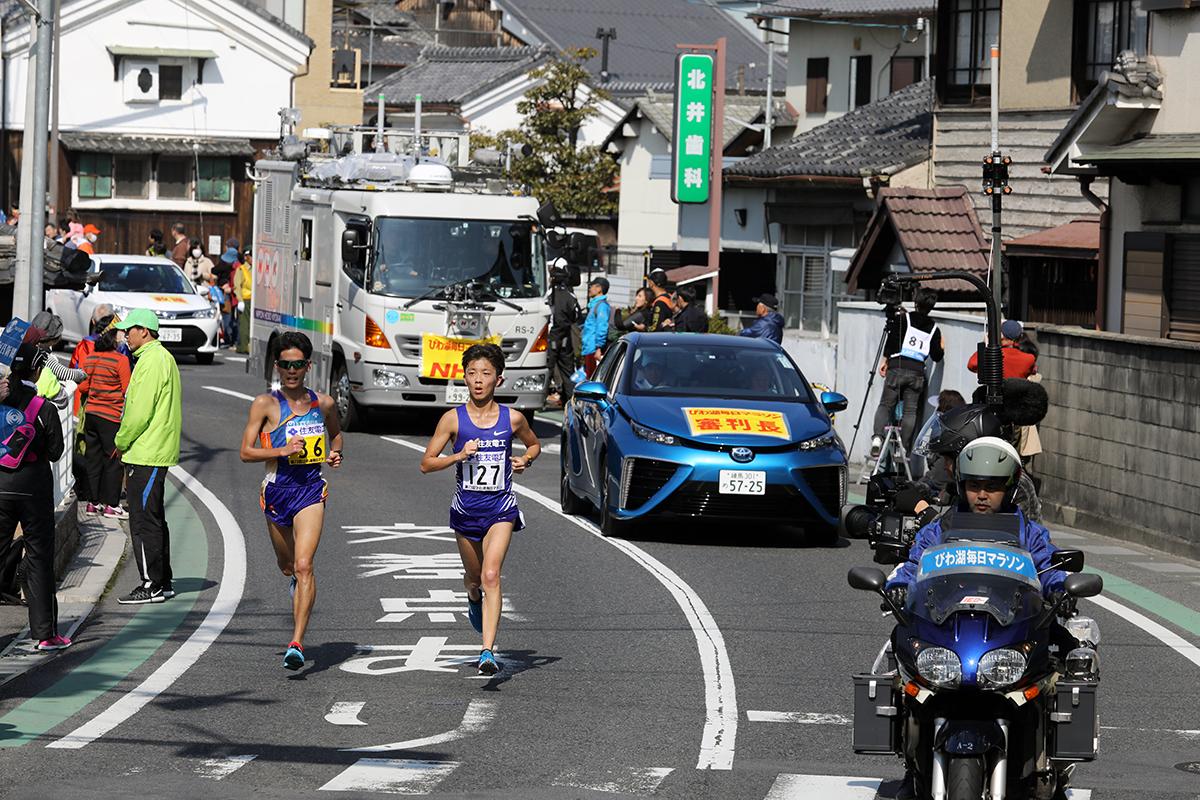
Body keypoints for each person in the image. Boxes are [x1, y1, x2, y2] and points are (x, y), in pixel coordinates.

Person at [883, 436, 1067, 800]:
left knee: (1063, 660)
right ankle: (912, 765)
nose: (982, 495)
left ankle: (1047, 766)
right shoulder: (940, 527)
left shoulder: (1029, 533)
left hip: (1006, 630)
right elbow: (912, 564)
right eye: (974, 485)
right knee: (899, 658)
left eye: (993, 487)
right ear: (961, 485)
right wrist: (899, 586)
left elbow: (1049, 567)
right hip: (949, 628)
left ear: (1010, 488)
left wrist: (1061, 587)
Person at [420, 343, 540, 676]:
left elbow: (534, 444)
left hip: (501, 509)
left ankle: (487, 650)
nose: (478, 380)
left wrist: (525, 459)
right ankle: (472, 597)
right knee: (474, 579)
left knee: (491, 574)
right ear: (464, 378)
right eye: (472, 373)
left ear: (498, 380)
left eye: (486, 374)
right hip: (466, 512)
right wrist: (458, 456)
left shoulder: (512, 418)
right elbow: (426, 464)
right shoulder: (452, 420)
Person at [239, 332, 343, 670]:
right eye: (286, 365)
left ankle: (296, 641)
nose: (292, 371)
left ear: (308, 366)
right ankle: (296, 585)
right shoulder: (265, 404)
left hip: (311, 490)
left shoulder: (323, 403)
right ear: (277, 366)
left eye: (298, 364)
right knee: (287, 567)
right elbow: (245, 452)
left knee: (304, 565)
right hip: (277, 492)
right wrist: (281, 450)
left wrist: (336, 453)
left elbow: (337, 435)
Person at [0, 344, 69, 650]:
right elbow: (55, 452)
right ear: (38, 370)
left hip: (0, 485)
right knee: (39, 556)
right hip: (34, 488)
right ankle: (45, 634)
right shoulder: (45, 408)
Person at [113, 309, 182, 605]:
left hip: (146, 451)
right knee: (153, 517)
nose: (125, 335)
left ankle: (151, 584)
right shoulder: (158, 358)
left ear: (145, 330)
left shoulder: (151, 361)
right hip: (152, 450)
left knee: (142, 520)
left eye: (130, 330)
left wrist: (120, 439)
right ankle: (161, 581)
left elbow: (139, 411)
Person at [870, 288, 944, 456]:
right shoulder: (934, 328)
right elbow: (937, 356)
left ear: (916, 302)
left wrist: (885, 360)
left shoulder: (903, 319)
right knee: (910, 411)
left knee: (886, 405)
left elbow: (891, 342)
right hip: (917, 372)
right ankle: (903, 448)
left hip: (897, 367)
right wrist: (941, 347)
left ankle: (877, 438)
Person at [79, 326, 131, 518]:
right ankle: (111, 504)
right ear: (114, 343)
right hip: (111, 416)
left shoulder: (90, 358)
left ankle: (93, 503)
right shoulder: (121, 360)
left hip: (91, 414)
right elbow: (127, 389)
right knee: (113, 460)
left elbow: (83, 386)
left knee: (93, 459)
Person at [545, 258, 580, 408]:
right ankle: (570, 401)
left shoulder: (548, 295)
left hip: (551, 335)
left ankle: (541, 398)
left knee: (547, 368)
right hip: (566, 337)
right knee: (568, 370)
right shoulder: (570, 296)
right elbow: (576, 315)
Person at [968, 319, 1037, 379]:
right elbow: (1033, 372)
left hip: (996, 393)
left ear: (1001, 336)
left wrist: (985, 344)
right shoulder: (1029, 358)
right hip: (1019, 393)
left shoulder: (994, 355)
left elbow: (972, 365)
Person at [580, 277, 611, 378]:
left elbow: (602, 327)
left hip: (593, 349)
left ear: (599, 289)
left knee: (592, 378)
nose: (589, 288)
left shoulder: (601, 306)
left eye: (591, 286)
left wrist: (599, 348)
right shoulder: (595, 305)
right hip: (589, 347)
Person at [234, 250, 253, 354]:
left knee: (252, 325)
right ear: (246, 257)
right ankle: (243, 347)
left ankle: (251, 346)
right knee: (244, 325)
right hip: (245, 300)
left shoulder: (257, 269)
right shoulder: (241, 269)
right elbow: (237, 286)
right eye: (251, 256)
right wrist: (240, 300)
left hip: (255, 301)